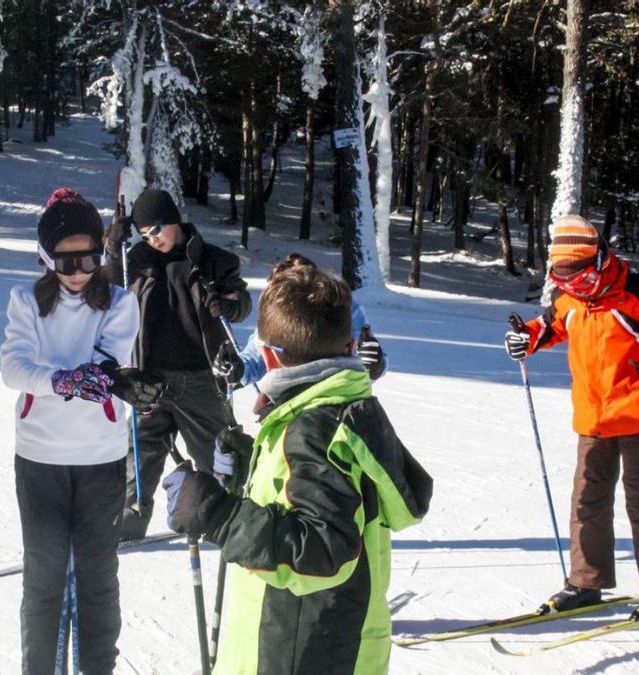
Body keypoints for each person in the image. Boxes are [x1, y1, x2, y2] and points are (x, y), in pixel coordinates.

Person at [161, 263, 432, 675]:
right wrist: (250, 474)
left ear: (268, 355)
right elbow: (316, 495)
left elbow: (320, 550)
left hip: (297, 650)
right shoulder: (345, 409)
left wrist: (219, 514)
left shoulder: (311, 430)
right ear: (350, 347)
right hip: (322, 641)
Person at [0, 188, 163, 674]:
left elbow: (109, 360)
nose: (77, 273)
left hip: (100, 458)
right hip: (40, 457)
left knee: (97, 577)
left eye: (89, 259)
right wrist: (61, 380)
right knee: (44, 577)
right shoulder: (26, 300)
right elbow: (13, 367)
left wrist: (122, 382)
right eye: (65, 262)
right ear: (44, 258)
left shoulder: (118, 301)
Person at [504, 214, 639, 620]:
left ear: (601, 260)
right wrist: (527, 338)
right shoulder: (571, 298)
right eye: (565, 280)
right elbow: (550, 325)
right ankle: (586, 583)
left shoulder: (635, 293)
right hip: (593, 417)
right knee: (586, 500)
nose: (576, 288)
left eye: (583, 279)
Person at [105, 188, 251, 541]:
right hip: (149, 379)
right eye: (144, 235)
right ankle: (126, 527)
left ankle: (228, 523)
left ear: (174, 220)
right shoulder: (134, 261)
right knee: (139, 458)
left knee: (216, 456)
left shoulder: (214, 260)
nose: (152, 240)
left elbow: (242, 301)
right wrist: (113, 246)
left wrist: (229, 308)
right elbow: (107, 288)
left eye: (156, 230)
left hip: (200, 377)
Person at [210, 253, 387, 392]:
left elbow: (362, 355)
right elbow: (257, 357)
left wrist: (374, 363)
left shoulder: (342, 308)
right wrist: (238, 369)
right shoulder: (278, 313)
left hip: (338, 397)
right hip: (290, 401)